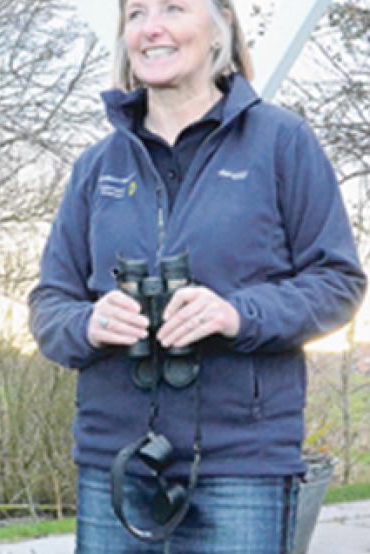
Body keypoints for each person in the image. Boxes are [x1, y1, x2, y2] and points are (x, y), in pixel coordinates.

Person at [29, 1, 365, 552]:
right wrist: (89, 322)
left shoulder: (282, 143)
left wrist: (238, 314)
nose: (150, 27)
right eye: (135, 13)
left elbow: (338, 282)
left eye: (173, 8)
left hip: (242, 465)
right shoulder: (97, 166)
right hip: (114, 461)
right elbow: (50, 302)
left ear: (221, 28)